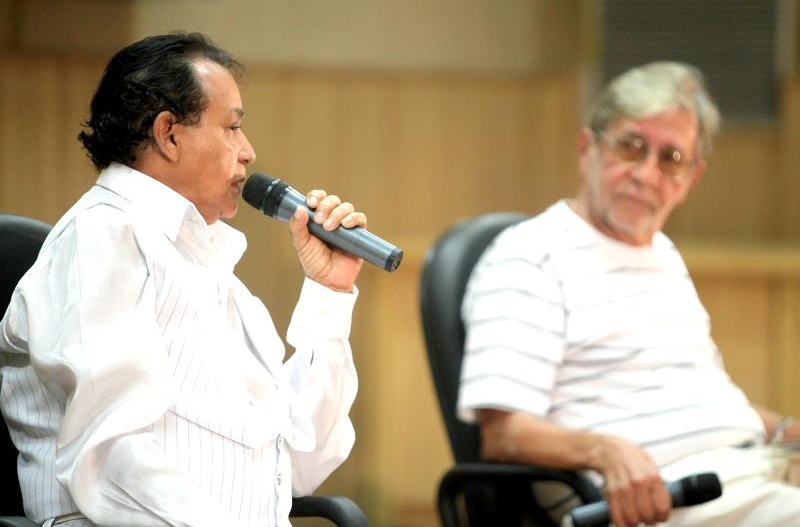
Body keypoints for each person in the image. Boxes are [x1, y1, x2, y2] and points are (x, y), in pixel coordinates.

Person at [0, 32, 367, 527]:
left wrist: (330, 292)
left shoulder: (211, 267)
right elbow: (107, 457)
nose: (248, 152)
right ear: (168, 133)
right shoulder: (103, 237)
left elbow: (303, 461)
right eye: (232, 127)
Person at [457, 62, 800, 527]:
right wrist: (604, 451)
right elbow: (504, 435)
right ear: (587, 150)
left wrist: (787, 432)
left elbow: (704, 395)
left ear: (690, 179)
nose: (646, 174)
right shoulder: (530, 253)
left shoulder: (664, 254)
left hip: (752, 473)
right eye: (631, 147)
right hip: (665, 501)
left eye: (670, 158)